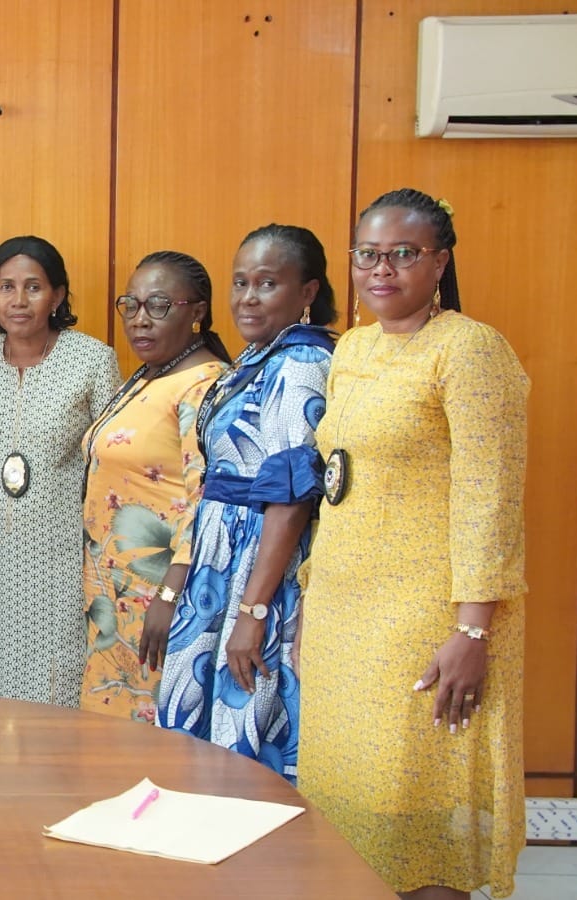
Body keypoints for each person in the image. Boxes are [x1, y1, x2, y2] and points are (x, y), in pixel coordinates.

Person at [298, 189, 527, 899]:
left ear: (440, 261)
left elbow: (491, 496)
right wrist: (313, 598)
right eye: (368, 254)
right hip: (344, 611)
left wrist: (471, 627)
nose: (382, 269)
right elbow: (338, 486)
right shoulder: (354, 348)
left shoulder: (470, 349)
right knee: (343, 800)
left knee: (415, 808)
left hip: (426, 616)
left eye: (404, 254)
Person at [156, 225, 338, 780]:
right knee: (200, 732)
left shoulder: (301, 362)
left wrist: (253, 612)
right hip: (222, 558)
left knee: (248, 722)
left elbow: (290, 498)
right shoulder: (261, 356)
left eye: (267, 283)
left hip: (258, 570)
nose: (248, 297)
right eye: (240, 282)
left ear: (307, 293)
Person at [0, 236, 120, 706]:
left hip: (61, 558)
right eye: (6, 287)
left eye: (33, 287)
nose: (19, 300)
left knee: (57, 684)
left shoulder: (91, 359)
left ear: (58, 295)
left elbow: (110, 464)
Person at [79, 251, 230, 720]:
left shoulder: (202, 384)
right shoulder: (151, 374)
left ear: (197, 312)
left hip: (162, 600)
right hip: (116, 598)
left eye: (159, 306)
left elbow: (204, 500)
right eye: (132, 305)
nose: (140, 320)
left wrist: (169, 598)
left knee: (153, 736)